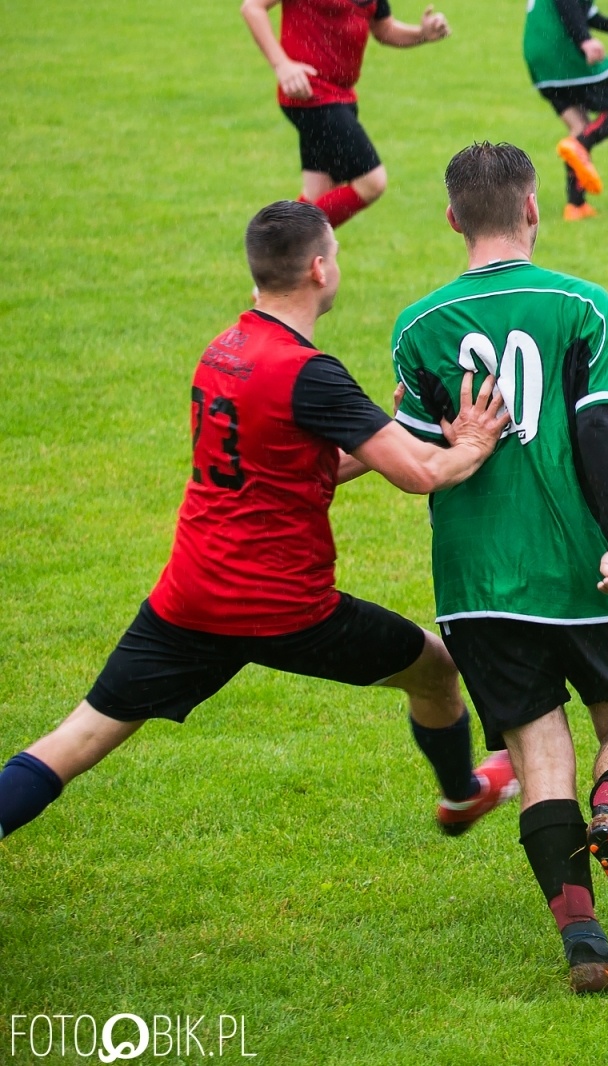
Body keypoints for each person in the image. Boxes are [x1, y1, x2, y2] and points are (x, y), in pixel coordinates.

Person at [0, 201, 518, 853]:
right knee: (436, 666)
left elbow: (291, 468)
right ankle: (461, 794)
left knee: (72, 742)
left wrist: (388, 436)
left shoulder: (223, 351)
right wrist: (470, 444)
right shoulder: (311, 374)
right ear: (320, 269)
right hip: (286, 611)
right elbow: (419, 475)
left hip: (188, 600)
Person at [392, 142, 608, 994]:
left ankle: (584, 939)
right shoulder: (581, 304)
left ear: (451, 219)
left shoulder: (417, 327)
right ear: (534, 209)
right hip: (577, 574)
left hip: (476, 587)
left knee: (539, 751)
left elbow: (407, 448)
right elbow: (595, 430)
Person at [241, 0, 452, 229]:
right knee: (372, 181)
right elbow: (252, 8)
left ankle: (294, 255)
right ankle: (288, 246)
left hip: (342, 96)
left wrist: (422, 33)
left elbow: (384, 28)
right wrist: (282, 65)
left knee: (317, 195)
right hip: (311, 94)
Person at [521, 0, 608, 220]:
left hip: (538, 56)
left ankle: (576, 206)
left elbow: (587, 15)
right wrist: (585, 40)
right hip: (563, 48)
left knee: (579, 126)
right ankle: (580, 144)